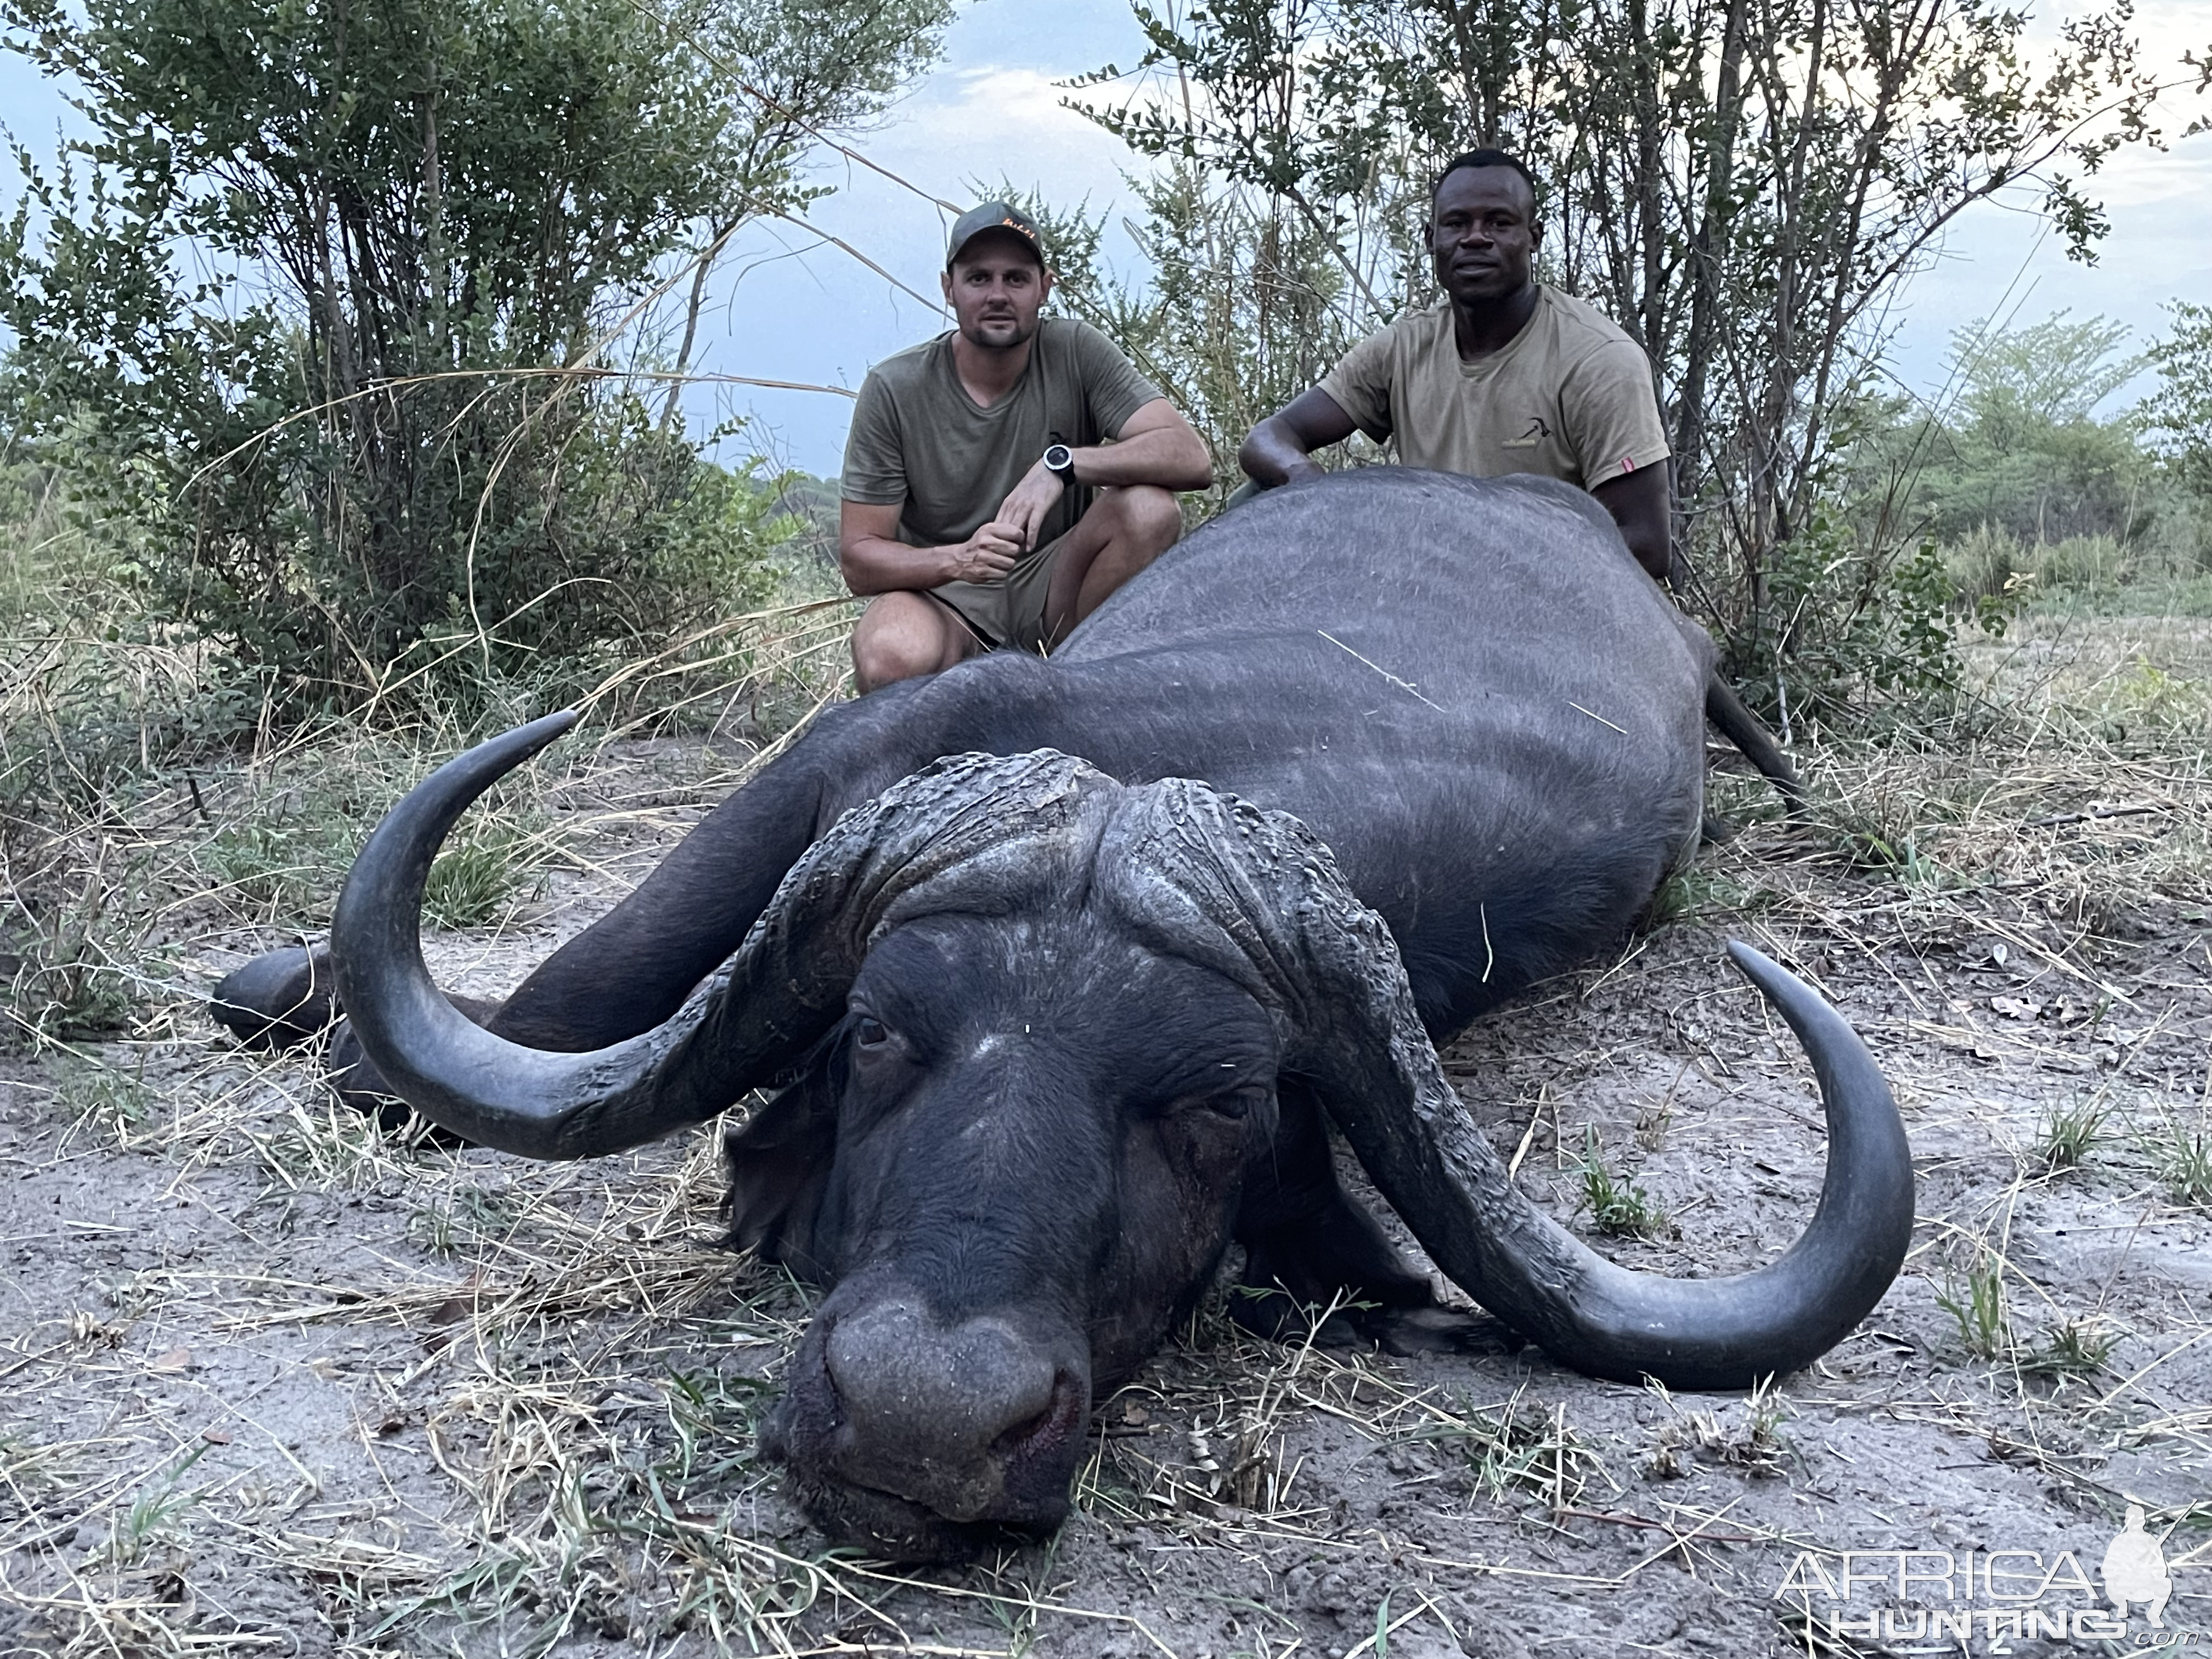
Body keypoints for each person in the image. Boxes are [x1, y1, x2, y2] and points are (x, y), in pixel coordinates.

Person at [1238, 149, 1674, 580]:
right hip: (1423, 579)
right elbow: (1269, 437)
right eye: (1457, 224)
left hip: (1542, 591)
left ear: (1533, 237)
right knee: (1256, 494)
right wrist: (1305, 481)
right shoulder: (1404, 346)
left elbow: (1646, 547)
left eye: (1499, 223)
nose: (1476, 238)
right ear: (1432, 239)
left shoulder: (1598, 359)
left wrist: (1493, 571)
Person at [839, 202, 1214, 690]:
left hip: (1056, 590)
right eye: (979, 278)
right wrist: (959, 560)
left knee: (1148, 510)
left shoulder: (1077, 350)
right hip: (943, 597)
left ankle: (1079, 689)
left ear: (1044, 287)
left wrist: (1062, 466)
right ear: (948, 288)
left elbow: (1190, 456)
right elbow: (860, 560)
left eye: (1016, 279)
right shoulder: (894, 387)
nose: (998, 295)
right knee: (890, 653)